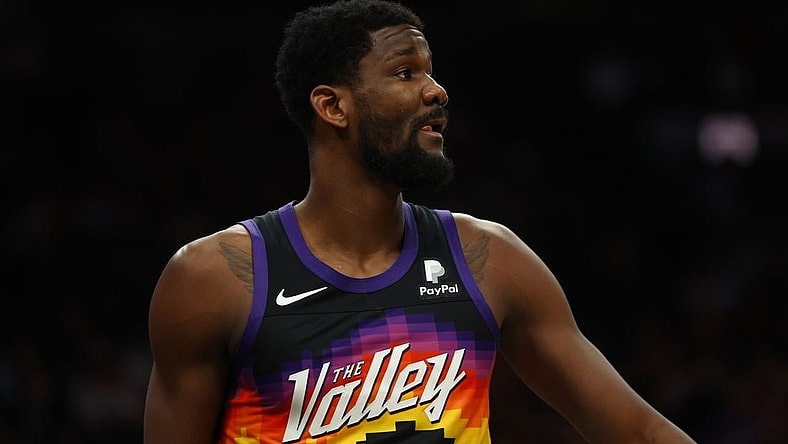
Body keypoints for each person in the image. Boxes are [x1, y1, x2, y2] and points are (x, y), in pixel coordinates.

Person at [143, 0, 697, 443]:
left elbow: (642, 431)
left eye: (431, 73)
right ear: (333, 107)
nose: (436, 91)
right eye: (405, 72)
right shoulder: (214, 278)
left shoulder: (490, 258)